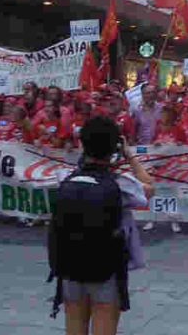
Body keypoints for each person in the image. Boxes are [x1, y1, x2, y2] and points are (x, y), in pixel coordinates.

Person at [48, 117, 153, 335]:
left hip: (69, 265)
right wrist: (130, 155)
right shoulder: (120, 183)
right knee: (105, 319)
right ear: (114, 147)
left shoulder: (65, 178)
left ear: (82, 144)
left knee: (74, 321)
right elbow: (150, 187)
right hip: (106, 267)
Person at [143, 103, 186, 233]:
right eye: (163, 113)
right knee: (154, 193)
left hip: (172, 167)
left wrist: (179, 144)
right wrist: (155, 144)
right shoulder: (157, 128)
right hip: (157, 167)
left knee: (171, 194)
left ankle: (174, 220)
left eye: (166, 113)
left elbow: (185, 146)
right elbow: (151, 145)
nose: (164, 115)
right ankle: (152, 219)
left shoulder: (178, 129)